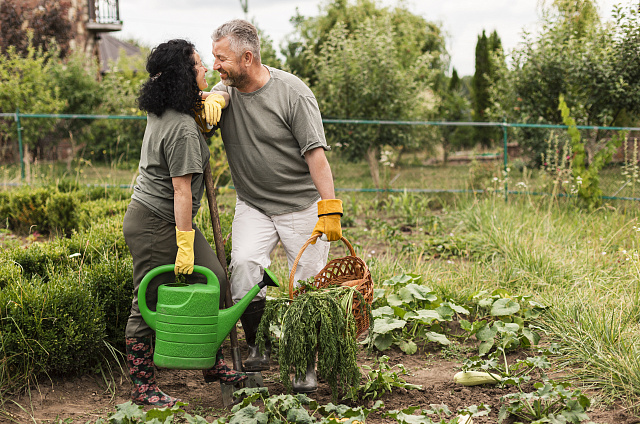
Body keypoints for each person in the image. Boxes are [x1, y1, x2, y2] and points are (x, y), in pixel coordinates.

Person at [203, 19, 344, 393]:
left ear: (247, 58)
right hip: (255, 204)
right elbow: (208, 108)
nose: (216, 64)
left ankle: (304, 364)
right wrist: (211, 99)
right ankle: (258, 345)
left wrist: (329, 207)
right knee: (245, 267)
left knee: (307, 287)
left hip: (301, 205)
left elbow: (316, 156)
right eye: (214, 57)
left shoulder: (292, 94)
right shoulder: (226, 92)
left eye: (222, 58)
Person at [122, 39, 245, 407]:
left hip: (160, 217)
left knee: (218, 277)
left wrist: (209, 103)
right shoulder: (183, 130)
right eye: (199, 65)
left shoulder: (166, 111)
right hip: (157, 221)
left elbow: (198, 110)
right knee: (149, 293)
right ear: (184, 75)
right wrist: (185, 243)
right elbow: (181, 192)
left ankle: (210, 361)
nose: (206, 68)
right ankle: (142, 385)